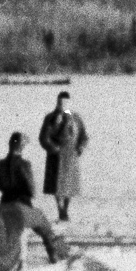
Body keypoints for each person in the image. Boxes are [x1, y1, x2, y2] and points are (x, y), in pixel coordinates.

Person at [38, 92, 89, 224]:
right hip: (56, 157)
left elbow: (84, 136)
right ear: (57, 102)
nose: (62, 105)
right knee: (57, 186)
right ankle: (60, 209)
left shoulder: (76, 118)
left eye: (65, 103)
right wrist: (52, 147)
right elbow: (43, 137)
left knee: (69, 186)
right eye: (60, 102)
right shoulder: (50, 118)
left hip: (71, 156)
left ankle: (65, 209)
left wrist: (80, 147)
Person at [0, 132, 38, 205]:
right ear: (22, 146)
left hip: (5, 200)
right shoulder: (25, 164)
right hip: (23, 202)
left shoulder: (1, 164)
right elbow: (31, 189)